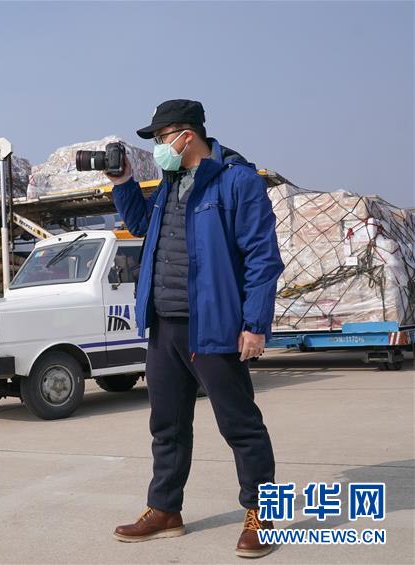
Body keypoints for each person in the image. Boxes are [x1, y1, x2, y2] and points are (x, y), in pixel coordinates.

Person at [107, 100, 284, 559]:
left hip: (214, 328)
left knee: (240, 426)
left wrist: (255, 324)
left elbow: (263, 258)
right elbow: (142, 225)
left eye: (162, 138)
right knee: (166, 425)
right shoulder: (170, 183)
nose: (159, 148)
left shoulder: (237, 181)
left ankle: (262, 515)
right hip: (164, 326)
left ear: (187, 135)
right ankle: (165, 510)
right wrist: (124, 183)